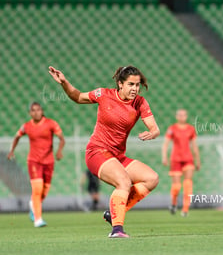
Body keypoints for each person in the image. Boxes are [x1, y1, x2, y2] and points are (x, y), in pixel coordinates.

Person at [48, 65, 160, 238]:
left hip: (117, 156)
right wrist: (64, 83)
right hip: (97, 152)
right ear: (120, 84)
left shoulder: (140, 102)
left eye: (137, 85)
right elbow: (77, 97)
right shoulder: (103, 94)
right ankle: (117, 230)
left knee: (151, 179)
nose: (135, 89)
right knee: (123, 181)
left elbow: (155, 128)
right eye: (131, 84)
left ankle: (113, 212)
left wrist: (152, 133)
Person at [7, 102, 65, 228]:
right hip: (34, 161)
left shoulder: (51, 123)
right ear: (30, 113)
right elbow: (17, 137)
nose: (36, 112)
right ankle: (38, 219)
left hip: (49, 161)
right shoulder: (26, 126)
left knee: (44, 191)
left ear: (42, 111)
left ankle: (33, 205)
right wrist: (12, 150)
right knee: (37, 190)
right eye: (33, 110)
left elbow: (61, 138)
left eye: (38, 110)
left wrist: (59, 151)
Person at [162, 109, 200, 217]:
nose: (182, 117)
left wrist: (198, 160)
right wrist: (164, 157)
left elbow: (194, 145)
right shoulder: (172, 129)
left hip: (188, 159)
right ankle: (174, 203)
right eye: (180, 115)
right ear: (176, 116)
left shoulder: (191, 129)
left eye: (184, 115)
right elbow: (165, 144)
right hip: (176, 159)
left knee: (188, 183)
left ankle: (185, 208)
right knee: (177, 186)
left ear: (186, 116)